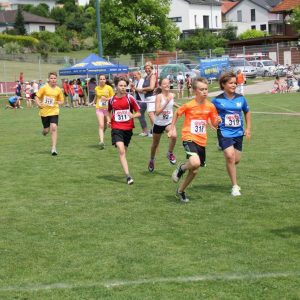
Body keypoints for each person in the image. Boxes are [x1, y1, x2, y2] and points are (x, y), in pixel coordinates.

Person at [168, 78, 220, 203]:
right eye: (201, 89)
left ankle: (180, 191)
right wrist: (171, 128)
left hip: (202, 140)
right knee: (195, 162)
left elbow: (214, 124)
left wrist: (217, 122)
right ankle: (181, 168)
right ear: (195, 91)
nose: (204, 91)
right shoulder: (189, 105)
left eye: (206, 89)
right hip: (189, 136)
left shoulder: (210, 106)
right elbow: (177, 113)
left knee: (195, 169)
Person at [212, 71, 251, 197]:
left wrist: (248, 128)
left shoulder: (241, 98)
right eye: (231, 83)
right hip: (224, 132)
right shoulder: (217, 100)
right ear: (223, 84)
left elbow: (246, 112)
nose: (234, 85)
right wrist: (214, 122)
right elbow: (210, 115)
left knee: (236, 160)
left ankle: (224, 150)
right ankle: (235, 186)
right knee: (230, 156)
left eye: (235, 83)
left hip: (238, 132)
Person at [107, 76, 141, 185]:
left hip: (128, 129)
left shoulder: (130, 98)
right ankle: (128, 176)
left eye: (124, 86)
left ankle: (124, 166)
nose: (123, 88)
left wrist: (133, 115)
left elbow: (139, 113)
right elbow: (108, 111)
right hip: (116, 128)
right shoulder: (112, 100)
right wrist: (108, 120)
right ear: (116, 86)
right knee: (121, 150)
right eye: (121, 85)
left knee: (124, 152)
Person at [148, 78, 180, 172]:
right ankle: (152, 160)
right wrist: (166, 102)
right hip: (158, 124)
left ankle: (169, 153)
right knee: (155, 144)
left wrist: (182, 108)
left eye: (168, 83)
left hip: (168, 122)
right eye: (164, 84)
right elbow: (157, 112)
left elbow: (172, 103)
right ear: (161, 86)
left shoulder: (171, 95)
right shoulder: (159, 97)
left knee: (174, 135)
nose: (167, 85)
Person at [35, 72, 64, 156]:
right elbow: (37, 97)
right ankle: (44, 132)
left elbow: (62, 101)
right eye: (51, 78)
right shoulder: (44, 88)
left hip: (54, 111)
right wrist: (39, 104)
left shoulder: (58, 89)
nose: (53, 80)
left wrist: (59, 102)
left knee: (54, 127)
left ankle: (54, 148)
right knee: (46, 130)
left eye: (55, 78)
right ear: (49, 79)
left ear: (56, 79)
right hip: (44, 112)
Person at [93, 74, 115, 149]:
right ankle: (101, 141)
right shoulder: (96, 88)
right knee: (101, 125)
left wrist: (106, 99)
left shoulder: (109, 88)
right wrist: (93, 102)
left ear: (105, 80)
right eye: (101, 79)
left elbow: (113, 97)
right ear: (98, 80)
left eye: (103, 79)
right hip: (99, 108)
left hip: (108, 109)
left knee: (108, 125)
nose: (102, 80)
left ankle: (114, 139)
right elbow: (97, 96)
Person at [135, 62, 157, 135]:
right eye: (146, 68)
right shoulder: (146, 77)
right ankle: (154, 131)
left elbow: (151, 87)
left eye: (149, 68)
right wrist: (142, 91)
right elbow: (146, 90)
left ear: (151, 68)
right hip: (148, 97)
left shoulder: (152, 76)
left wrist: (142, 89)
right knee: (151, 115)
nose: (147, 69)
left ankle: (157, 129)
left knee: (151, 114)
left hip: (152, 97)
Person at [131, 71, 149, 137]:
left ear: (139, 74)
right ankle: (144, 130)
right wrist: (133, 89)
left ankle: (146, 131)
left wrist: (135, 88)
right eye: (134, 75)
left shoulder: (143, 81)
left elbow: (143, 91)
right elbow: (136, 91)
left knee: (140, 116)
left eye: (135, 75)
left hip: (143, 101)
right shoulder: (136, 82)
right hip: (138, 101)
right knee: (140, 116)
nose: (134, 76)